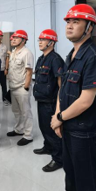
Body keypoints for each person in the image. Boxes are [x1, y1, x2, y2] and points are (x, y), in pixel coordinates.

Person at [50, 4, 96, 191]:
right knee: (70, 167)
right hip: (68, 124)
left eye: (76, 21)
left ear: (89, 27)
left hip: (83, 128)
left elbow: (86, 100)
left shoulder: (94, 57)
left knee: (87, 176)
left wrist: (60, 118)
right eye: (68, 22)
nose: (69, 25)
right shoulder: (71, 55)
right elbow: (62, 89)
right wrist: (58, 115)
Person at [33, 29, 65, 172]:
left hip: (51, 102)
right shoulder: (41, 58)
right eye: (39, 39)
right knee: (43, 127)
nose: (40, 42)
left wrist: (60, 105)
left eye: (43, 39)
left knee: (52, 131)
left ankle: (58, 158)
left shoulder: (55, 59)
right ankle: (48, 147)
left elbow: (61, 84)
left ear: (51, 42)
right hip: (41, 99)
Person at [6, 29, 34, 146]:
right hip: (13, 86)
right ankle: (19, 129)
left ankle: (28, 135)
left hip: (22, 87)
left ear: (23, 40)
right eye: (13, 38)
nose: (13, 39)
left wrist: (26, 87)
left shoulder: (26, 53)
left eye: (16, 38)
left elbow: (29, 71)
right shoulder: (13, 52)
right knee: (16, 111)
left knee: (25, 112)